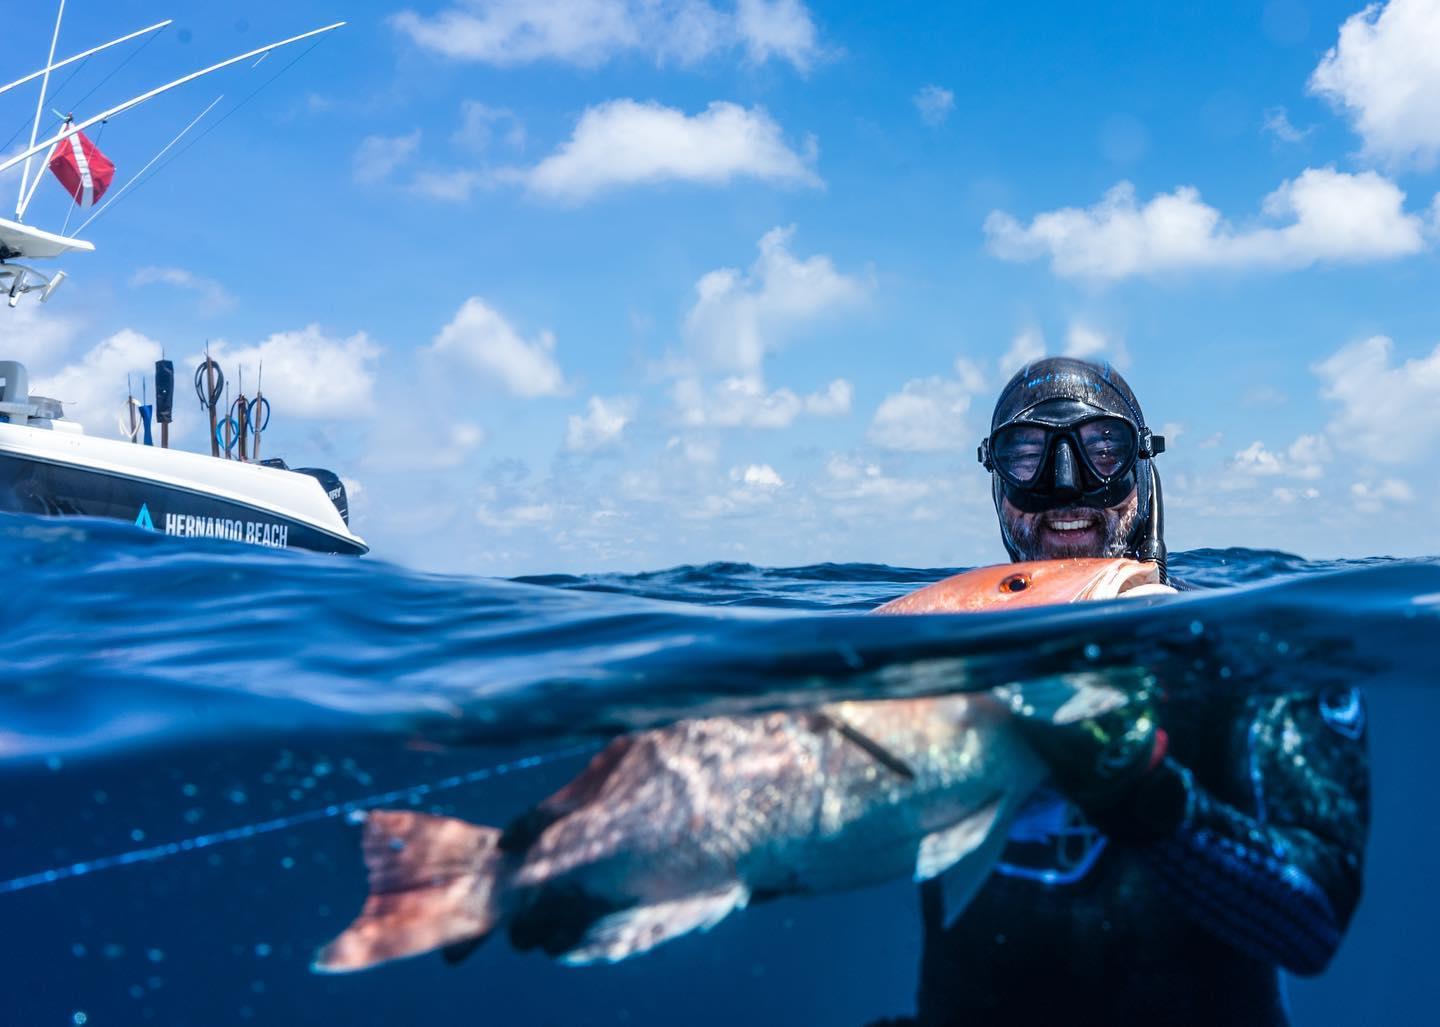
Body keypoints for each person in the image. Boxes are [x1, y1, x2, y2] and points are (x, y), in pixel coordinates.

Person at [902, 357, 1370, 1026]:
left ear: (1143, 465)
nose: (1067, 486)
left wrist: (1143, 794)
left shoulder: (1243, 652)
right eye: (1027, 454)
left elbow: (1314, 922)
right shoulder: (935, 648)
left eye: (1102, 448)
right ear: (996, 481)